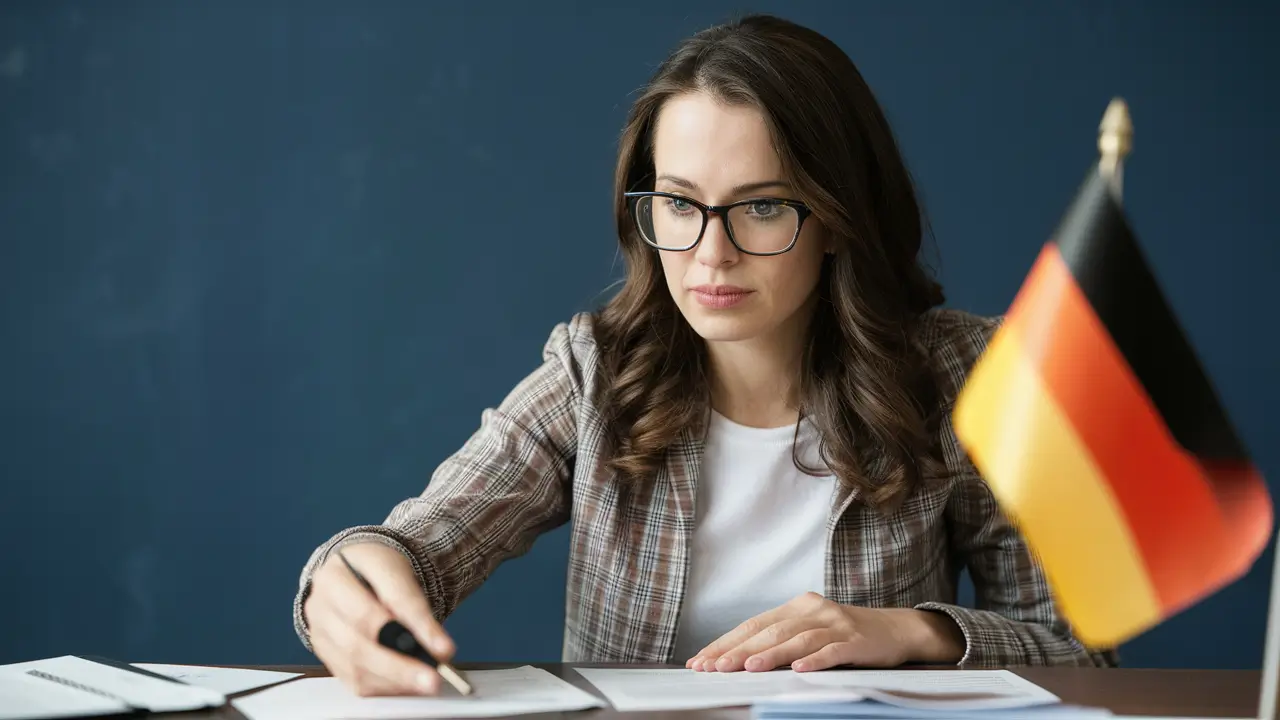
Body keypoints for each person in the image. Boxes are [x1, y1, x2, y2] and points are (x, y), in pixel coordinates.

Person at [294, 13, 1118, 697]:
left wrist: (906, 633)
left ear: (834, 216)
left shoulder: (969, 377)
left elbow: (1081, 653)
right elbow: (427, 539)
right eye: (680, 204)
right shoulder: (597, 370)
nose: (709, 254)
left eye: (760, 207)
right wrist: (355, 576)